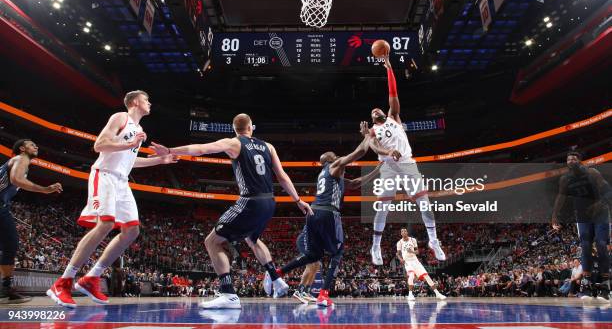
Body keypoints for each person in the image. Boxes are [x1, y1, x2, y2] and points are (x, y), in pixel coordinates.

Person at [151, 113, 312, 309]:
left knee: (211, 241)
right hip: (269, 202)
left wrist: (169, 150)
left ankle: (228, 294)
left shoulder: (234, 143)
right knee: (252, 239)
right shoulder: (268, 146)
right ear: (251, 127)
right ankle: (276, 279)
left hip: (250, 201)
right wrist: (298, 200)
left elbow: (201, 149)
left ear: (234, 129)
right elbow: (282, 176)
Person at [47, 90, 177, 308]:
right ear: (135, 102)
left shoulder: (139, 130)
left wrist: (160, 161)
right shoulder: (120, 118)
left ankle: (91, 278)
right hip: (104, 174)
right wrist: (129, 144)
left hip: (122, 181)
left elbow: (131, 161)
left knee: (132, 231)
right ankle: (63, 282)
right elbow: (99, 145)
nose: (150, 103)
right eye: (147, 100)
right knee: (105, 223)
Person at [269, 123, 381, 307]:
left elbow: (354, 183)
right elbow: (359, 153)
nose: (337, 156)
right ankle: (323, 295)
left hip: (313, 212)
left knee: (314, 256)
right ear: (330, 159)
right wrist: (367, 136)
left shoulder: (327, 174)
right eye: (334, 155)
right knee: (337, 253)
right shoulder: (335, 165)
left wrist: (377, 171)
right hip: (328, 212)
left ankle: (277, 273)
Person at [368, 55, 445, 265]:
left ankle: (433, 241)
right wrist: (386, 150)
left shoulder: (394, 117)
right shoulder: (373, 131)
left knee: (424, 201)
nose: (376, 110)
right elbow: (372, 146)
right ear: (373, 119)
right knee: (382, 206)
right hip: (388, 166)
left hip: (408, 163)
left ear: (384, 112)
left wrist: (389, 69)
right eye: (372, 112)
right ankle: (375, 247)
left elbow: (393, 93)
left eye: (378, 109)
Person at [0, 139, 63, 304]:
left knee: (11, 245)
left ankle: (5, 288)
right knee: (10, 245)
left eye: (36, 144)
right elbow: (16, 180)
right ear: (22, 148)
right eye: (31, 144)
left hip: (2, 207)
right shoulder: (21, 159)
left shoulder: (21, 163)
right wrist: (45, 189)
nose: (36, 146)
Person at [552, 150, 611, 301]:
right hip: (583, 216)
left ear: (580, 161)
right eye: (568, 159)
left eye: (573, 159)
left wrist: (600, 203)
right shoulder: (565, 179)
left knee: (601, 244)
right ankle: (587, 285)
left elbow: (608, 190)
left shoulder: (592, 172)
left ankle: (605, 285)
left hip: (600, 213)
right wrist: (554, 215)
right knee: (585, 245)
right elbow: (560, 197)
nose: (570, 161)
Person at [396, 227, 446, 301]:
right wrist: (401, 259)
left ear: (407, 232)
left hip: (415, 261)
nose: (403, 232)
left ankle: (437, 294)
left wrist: (412, 251)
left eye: (405, 231)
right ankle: (410, 295)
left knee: (426, 276)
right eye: (402, 231)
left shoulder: (413, 240)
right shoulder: (399, 243)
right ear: (401, 233)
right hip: (408, 262)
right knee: (411, 275)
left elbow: (417, 252)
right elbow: (398, 254)